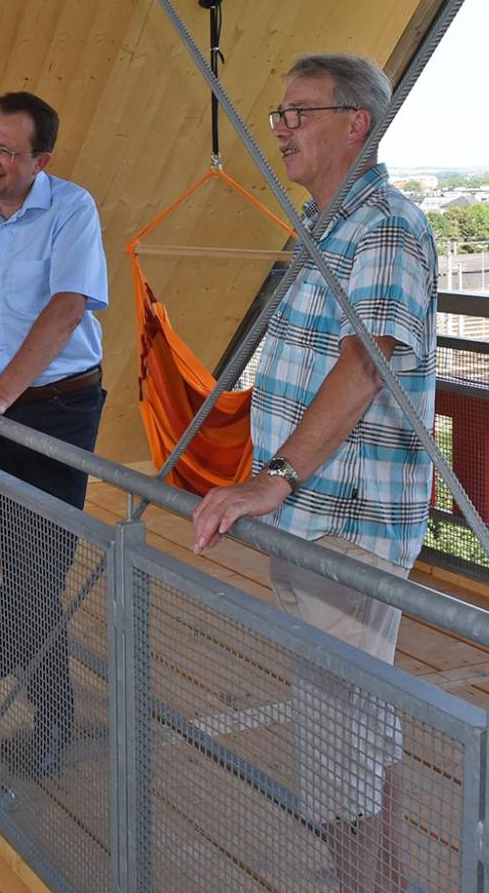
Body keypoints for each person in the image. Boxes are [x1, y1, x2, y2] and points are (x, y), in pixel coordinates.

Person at [189, 54, 437, 891]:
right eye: (280, 113)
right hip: (310, 518)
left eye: (301, 112)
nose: (282, 127)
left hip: (345, 520)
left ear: (354, 125)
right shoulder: (325, 228)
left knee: (343, 747)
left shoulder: (387, 228)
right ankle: (382, 885)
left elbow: (367, 362)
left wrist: (275, 478)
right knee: (352, 730)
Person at [0, 90, 108, 782]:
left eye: (6, 151)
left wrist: (2, 395)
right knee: (28, 574)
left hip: (56, 408)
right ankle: (50, 714)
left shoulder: (72, 208)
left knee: (40, 574)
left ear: (42, 159)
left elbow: (68, 308)